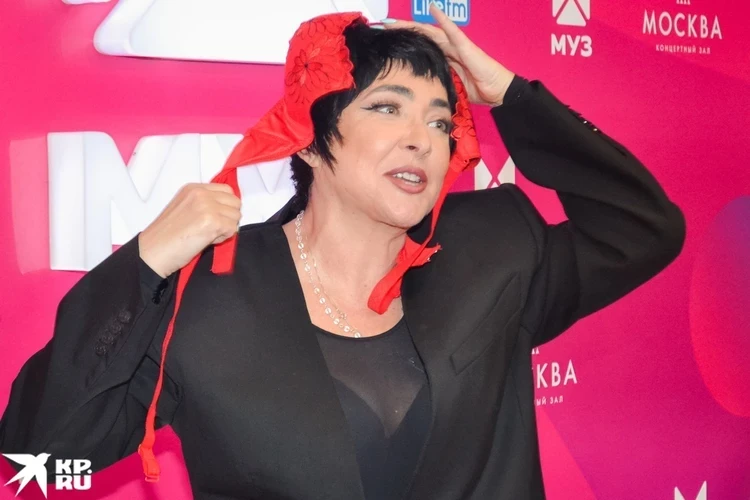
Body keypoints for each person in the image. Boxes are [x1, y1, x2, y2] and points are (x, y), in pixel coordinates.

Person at [0, 5, 685, 500]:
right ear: (307, 137)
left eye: (440, 120)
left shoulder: (495, 246)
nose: (421, 137)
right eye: (387, 107)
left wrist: (509, 95)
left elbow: (646, 227)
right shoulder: (205, 293)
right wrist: (146, 261)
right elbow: (44, 456)